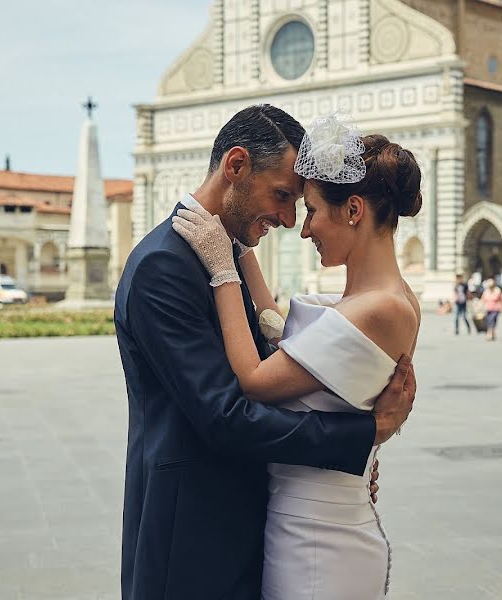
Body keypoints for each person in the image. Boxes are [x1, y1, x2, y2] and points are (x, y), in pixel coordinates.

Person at [114, 105, 416, 600]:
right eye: (282, 195)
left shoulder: (224, 257)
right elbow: (225, 414)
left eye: (302, 204)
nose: (289, 218)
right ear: (235, 166)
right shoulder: (163, 267)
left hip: (264, 529)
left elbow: (275, 371)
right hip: (194, 540)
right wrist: (362, 436)